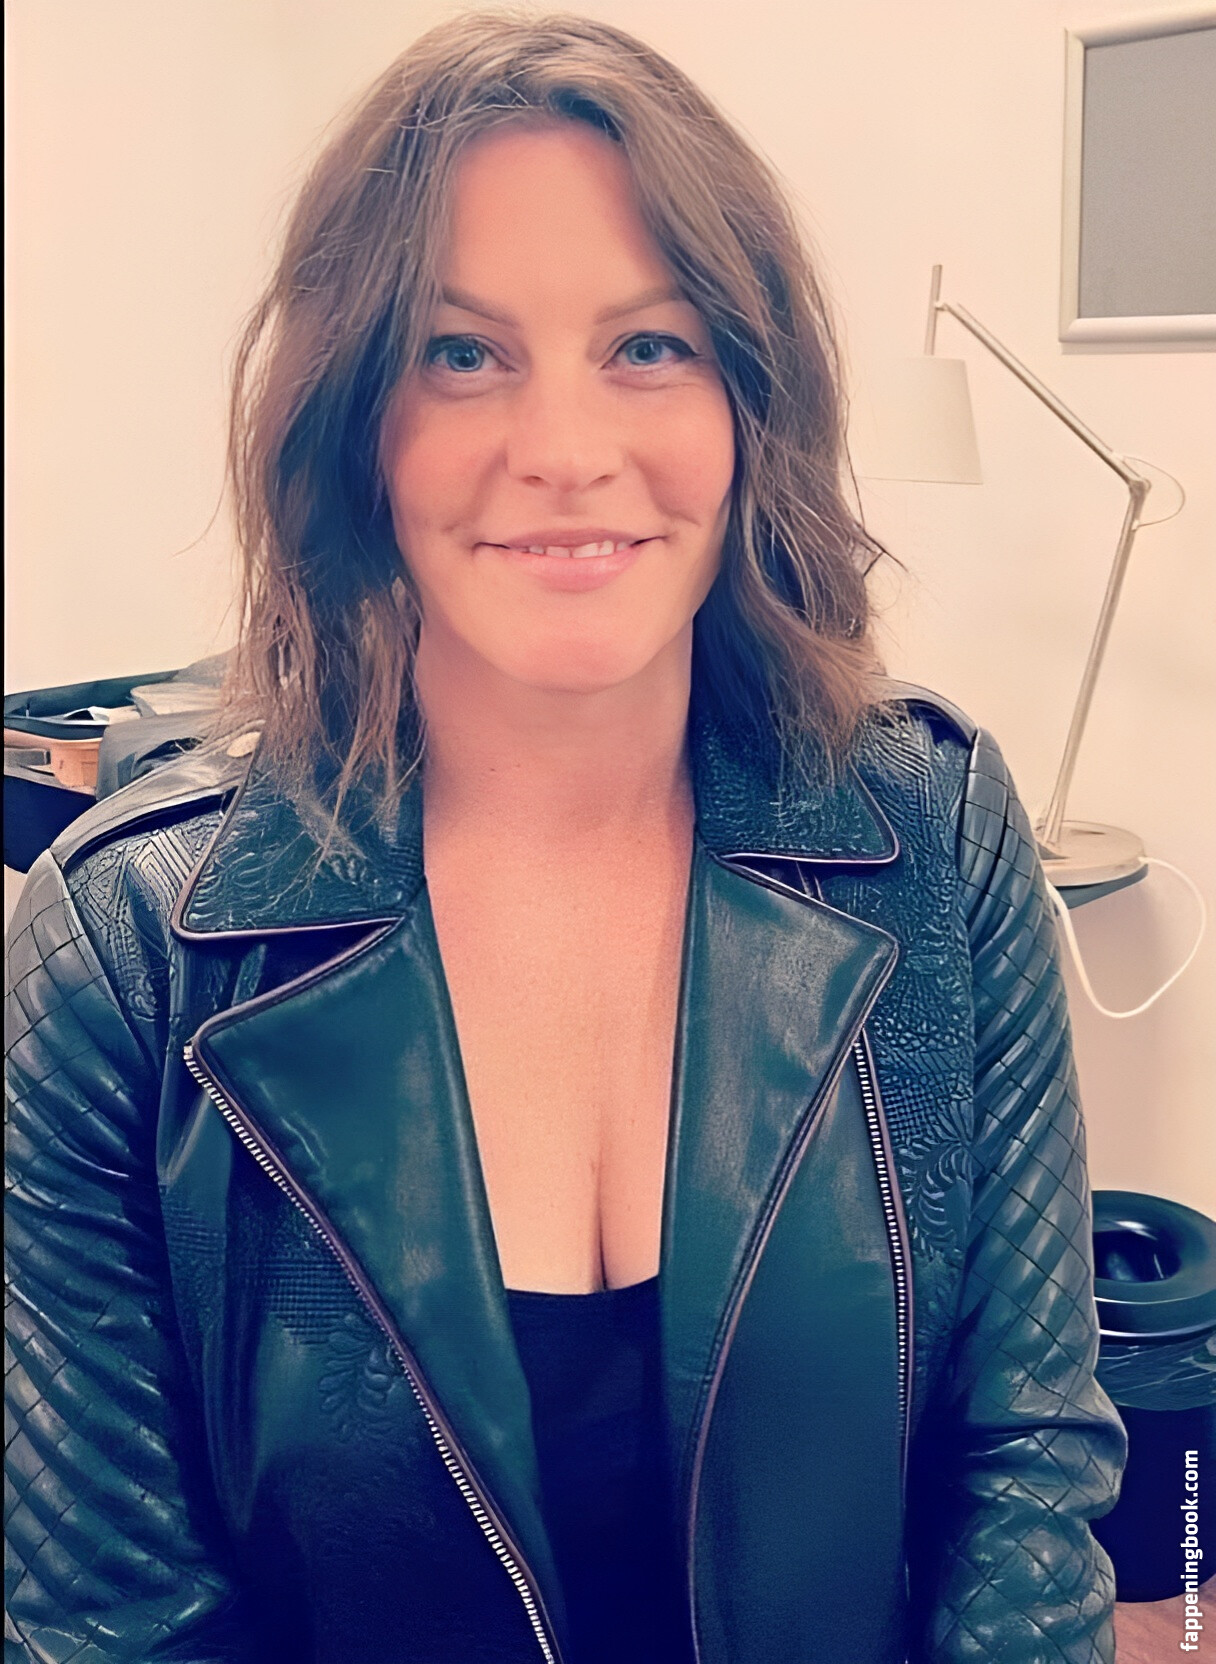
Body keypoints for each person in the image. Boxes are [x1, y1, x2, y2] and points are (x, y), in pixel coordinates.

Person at [4, 11, 1127, 1663]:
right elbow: (111, 1622)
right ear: (354, 422)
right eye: (462, 355)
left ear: (751, 403)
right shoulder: (120, 952)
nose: (566, 452)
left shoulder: (936, 834)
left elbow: (1024, 1474)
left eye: (648, 345)